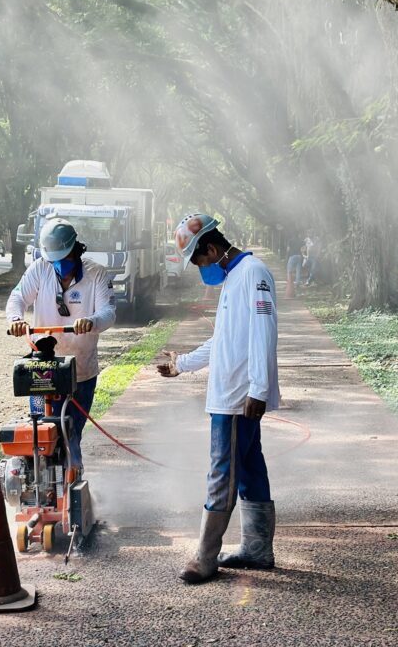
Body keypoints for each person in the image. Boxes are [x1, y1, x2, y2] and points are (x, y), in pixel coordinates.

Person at [156, 212, 280, 584]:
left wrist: (258, 388)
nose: (200, 269)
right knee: (250, 470)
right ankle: (257, 550)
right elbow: (224, 339)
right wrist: (183, 365)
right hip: (231, 393)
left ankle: (205, 557)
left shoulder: (253, 273)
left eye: (199, 260)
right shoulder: (234, 278)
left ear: (212, 247)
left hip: (237, 397)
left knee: (222, 475)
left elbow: (263, 330)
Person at [6, 217, 116, 471]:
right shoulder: (39, 269)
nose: (58, 265)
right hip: (42, 369)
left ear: (76, 251)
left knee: (70, 431)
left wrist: (91, 320)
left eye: (64, 259)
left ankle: (71, 482)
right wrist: (15, 319)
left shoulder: (96, 274)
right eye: (53, 260)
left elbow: (108, 312)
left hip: (81, 370)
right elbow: (18, 298)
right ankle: (38, 480)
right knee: (40, 427)